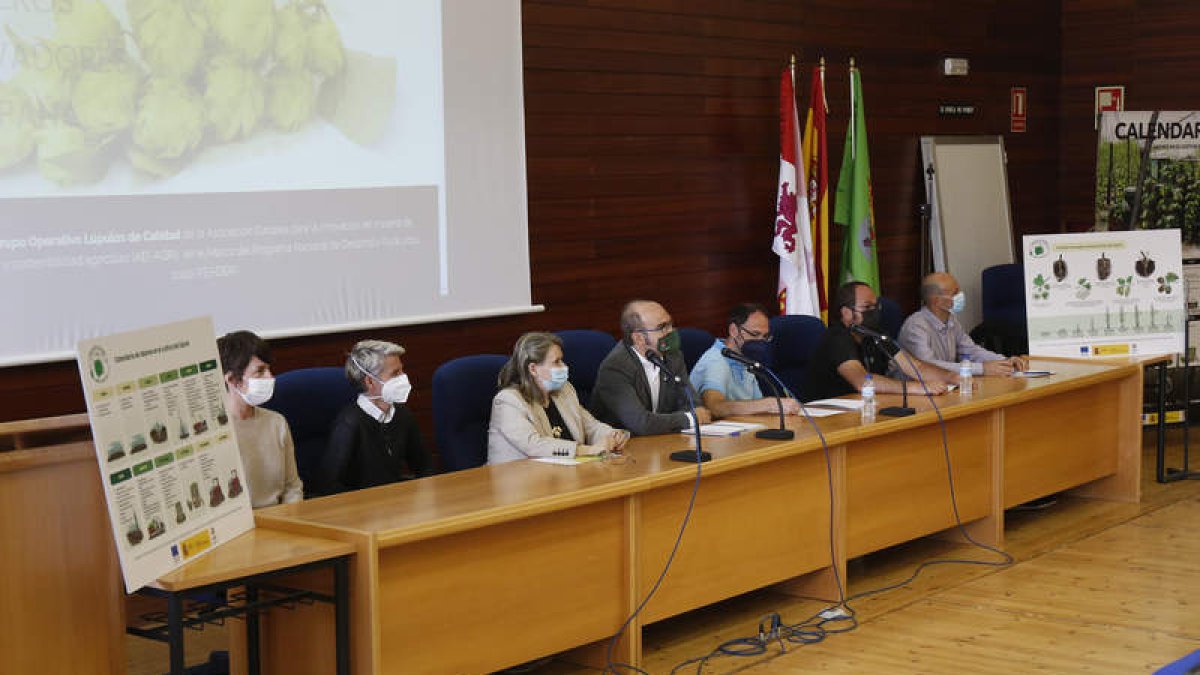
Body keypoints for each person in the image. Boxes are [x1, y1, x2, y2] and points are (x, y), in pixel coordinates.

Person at [488, 332, 630, 464]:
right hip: (520, 483)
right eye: (557, 362)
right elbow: (533, 445)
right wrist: (587, 450)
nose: (564, 366)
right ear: (533, 369)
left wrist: (613, 435)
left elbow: (591, 427)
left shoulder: (564, 391)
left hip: (565, 475)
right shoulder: (508, 401)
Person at [805, 281, 956, 401]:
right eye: (867, 307)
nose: (874, 311)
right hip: (831, 416)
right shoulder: (836, 338)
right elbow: (862, 381)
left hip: (867, 407)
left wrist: (951, 377)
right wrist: (914, 388)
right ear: (846, 313)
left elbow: (915, 366)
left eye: (876, 306)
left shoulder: (875, 333)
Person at [321, 339, 431, 494]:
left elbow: (424, 467)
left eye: (402, 370)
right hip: (361, 509)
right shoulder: (349, 424)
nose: (404, 377)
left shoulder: (403, 415)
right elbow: (330, 485)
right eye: (395, 373)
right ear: (370, 382)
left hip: (396, 503)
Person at [589, 300, 712, 435]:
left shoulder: (673, 356)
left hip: (663, 439)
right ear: (639, 338)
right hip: (623, 446)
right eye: (662, 327)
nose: (671, 331)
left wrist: (693, 414)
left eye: (670, 324)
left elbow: (692, 403)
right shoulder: (615, 368)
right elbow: (640, 423)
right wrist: (688, 418)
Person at [217, 330, 303, 508]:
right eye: (260, 371)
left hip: (280, 522)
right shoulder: (216, 432)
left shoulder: (277, 423)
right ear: (232, 380)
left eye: (269, 369)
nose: (270, 377)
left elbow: (292, 488)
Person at [899, 272, 1030, 376]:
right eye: (955, 293)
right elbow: (929, 366)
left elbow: (971, 350)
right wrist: (982, 369)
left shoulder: (951, 320)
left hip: (945, 383)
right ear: (936, 301)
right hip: (912, 391)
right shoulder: (915, 327)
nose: (960, 295)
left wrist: (1004, 361)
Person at [690, 302, 802, 418]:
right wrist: (769, 404)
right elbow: (714, 407)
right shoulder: (716, 360)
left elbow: (755, 405)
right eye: (755, 334)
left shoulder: (745, 357)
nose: (760, 342)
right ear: (734, 330)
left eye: (765, 337)